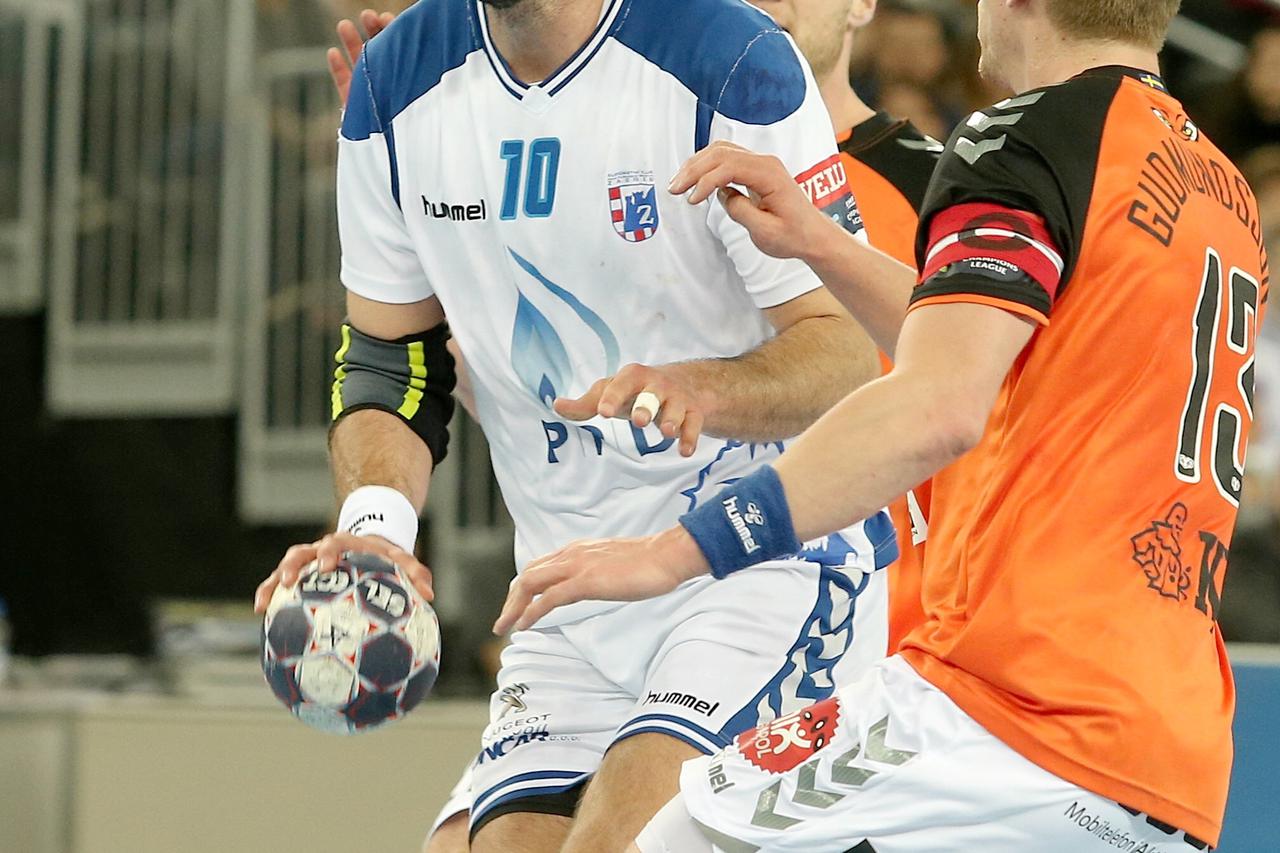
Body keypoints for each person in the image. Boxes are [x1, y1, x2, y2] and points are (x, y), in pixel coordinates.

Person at [497, 0, 1270, 849]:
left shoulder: (1026, 133)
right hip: (1168, 752)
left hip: (1010, 711)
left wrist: (674, 552)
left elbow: (936, 405)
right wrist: (822, 244)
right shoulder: (1222, 188)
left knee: (665, 836)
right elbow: (1001, 353)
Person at [254, 1, 900, 851]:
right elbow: (390, 362)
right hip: (569, 590)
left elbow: (849, 348)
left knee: (617, 841)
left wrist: (698, 389)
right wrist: (376, 529)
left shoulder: (730, 55)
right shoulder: (394, 83)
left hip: (757, 568)